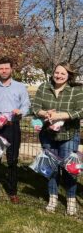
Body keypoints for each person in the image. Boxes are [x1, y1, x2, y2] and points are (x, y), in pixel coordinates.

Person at [32, 62, 83, 216]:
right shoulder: (43, 87)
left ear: (69, 76)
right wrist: (45, 113)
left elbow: (81, 110)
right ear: (53, 72)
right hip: (48, 135)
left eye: (63, 73)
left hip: (69, 135)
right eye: (57, 72)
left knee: (69, 169)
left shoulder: (76, 90)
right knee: (51, 168)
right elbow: (35, 107)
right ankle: (53, 198)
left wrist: (62, 115)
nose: (59, 76)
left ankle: (71, 200)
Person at [0, 57, 30, 203]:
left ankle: (12, 191)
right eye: (1, 68)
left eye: (6, 68)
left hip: (12, 127)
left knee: (12, 160)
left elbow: (26, 105)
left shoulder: (20, 87)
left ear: (11, 69)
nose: (4, 71)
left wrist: (20, 111)